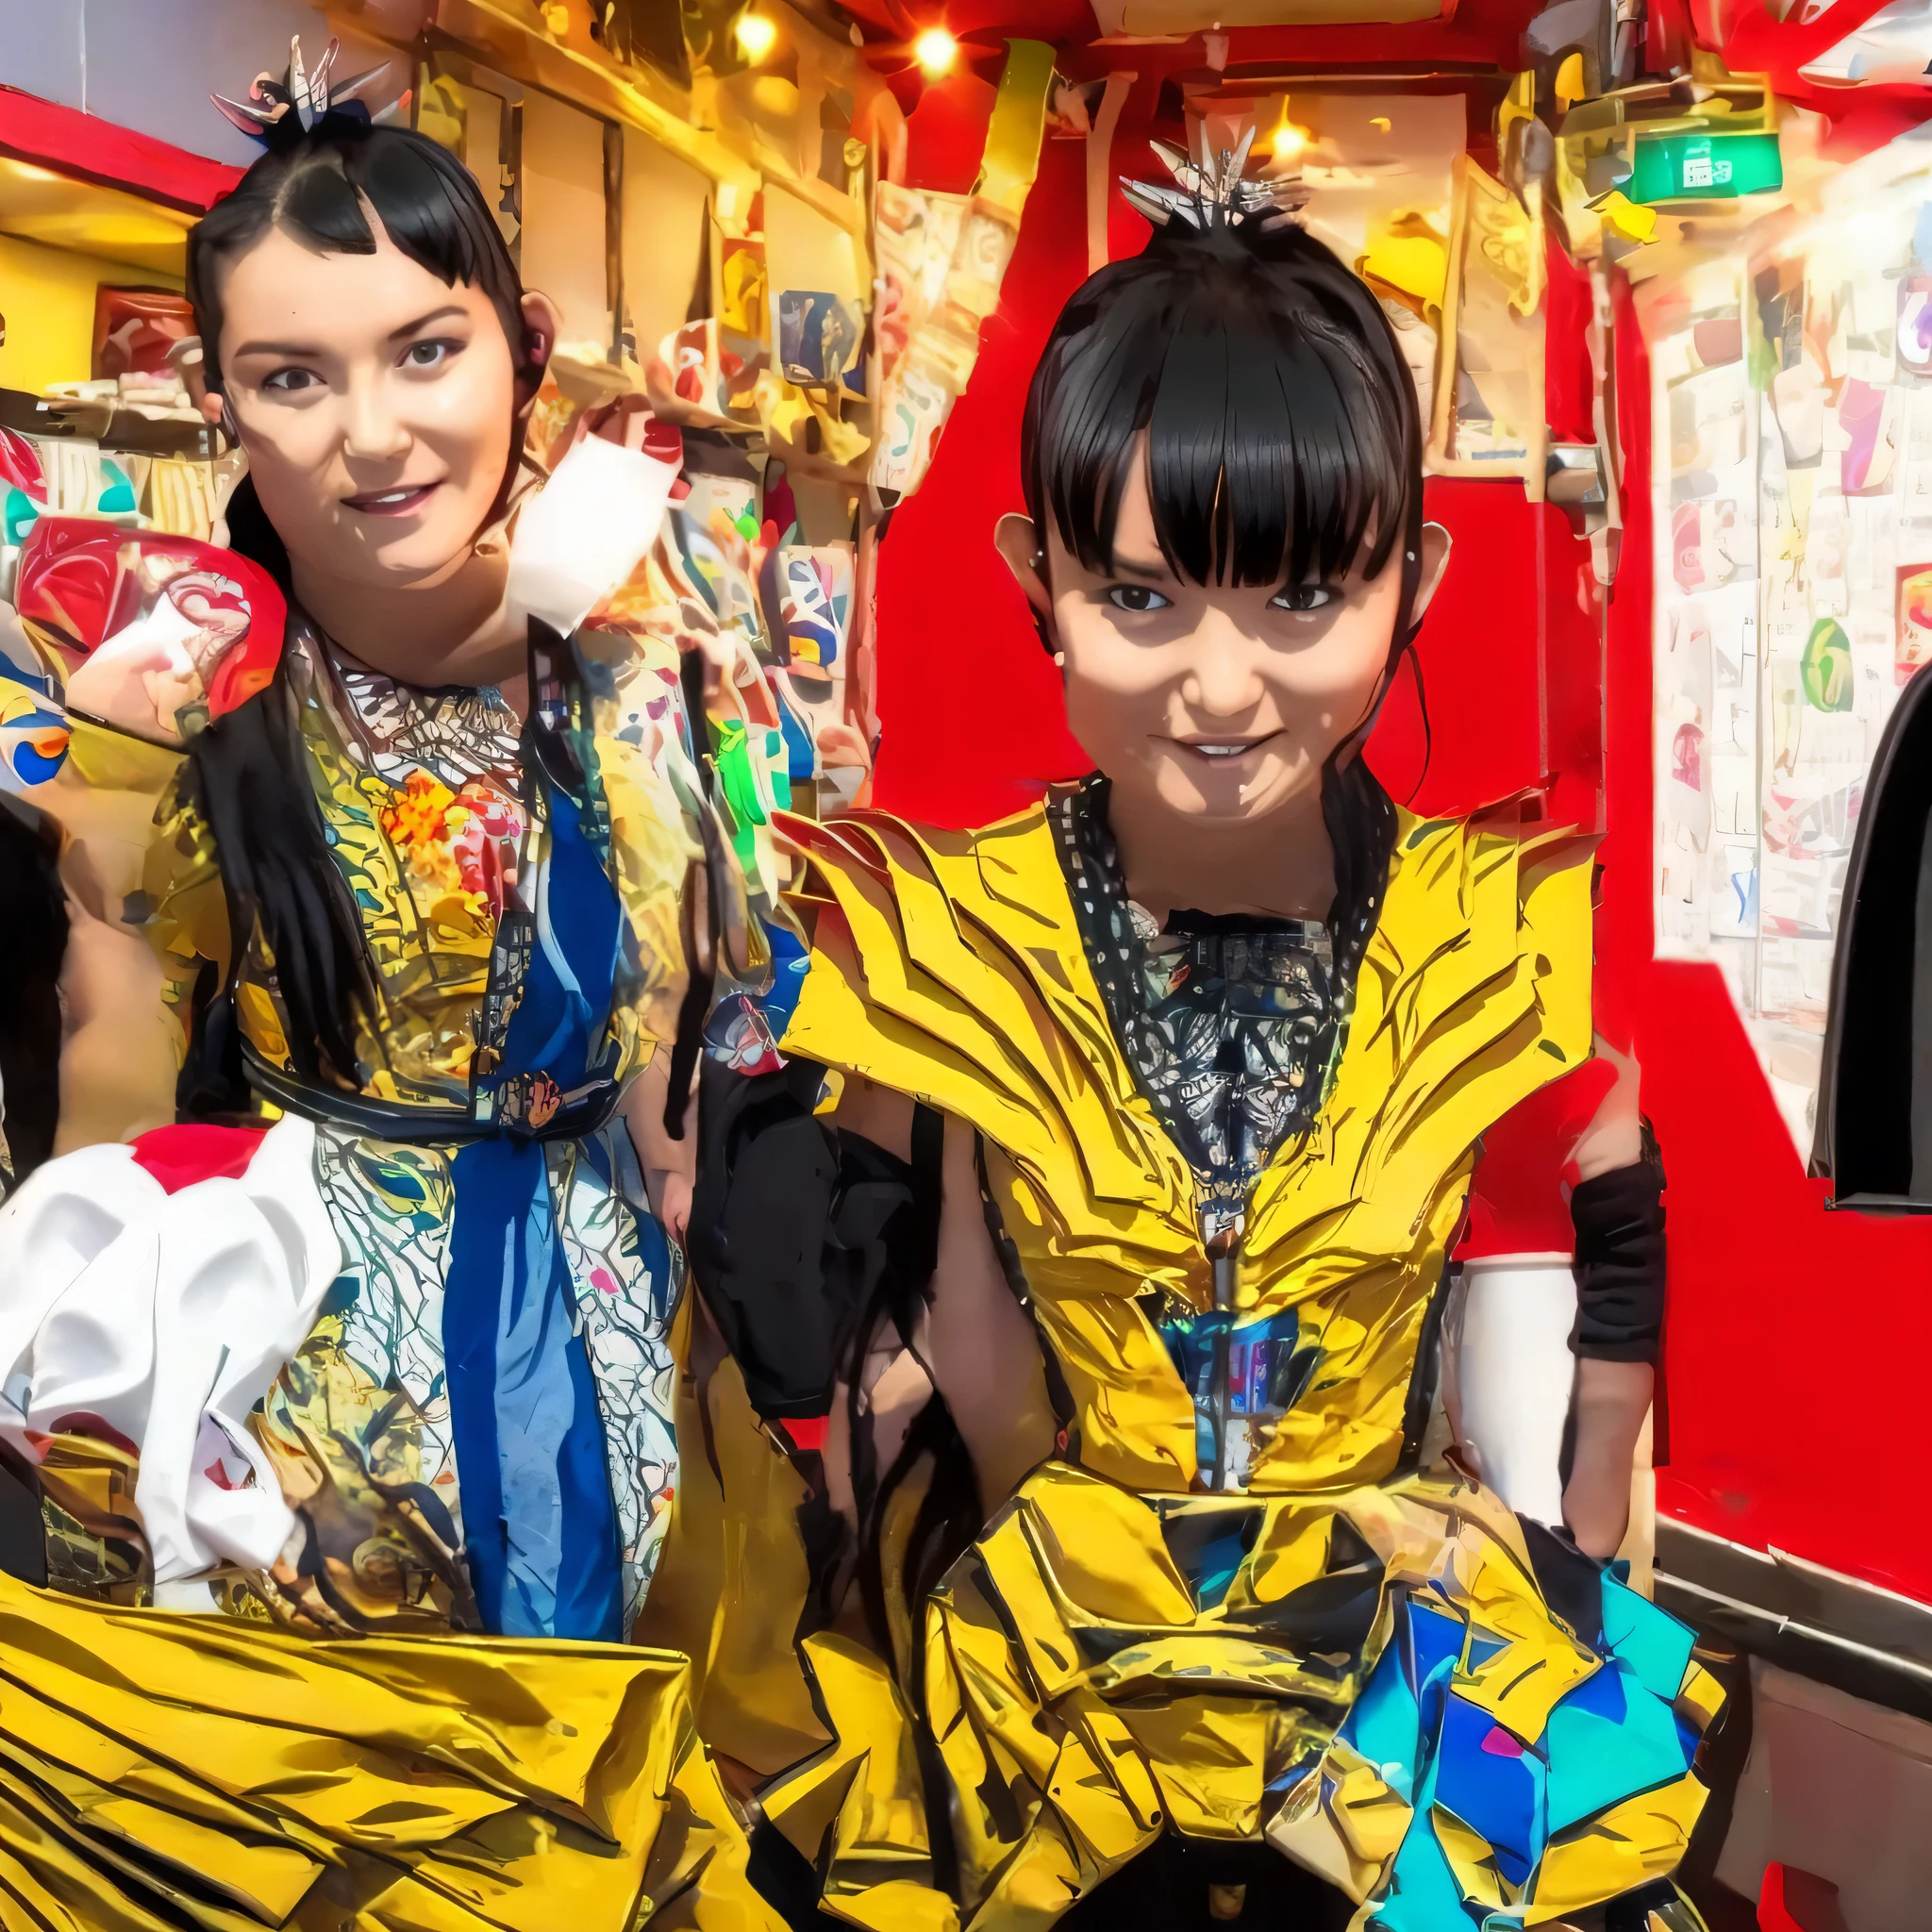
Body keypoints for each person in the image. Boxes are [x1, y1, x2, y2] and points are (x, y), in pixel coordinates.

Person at [661, 148, 1717, 1932]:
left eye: (1301, 598)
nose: (1222, 687)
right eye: (1141, 597)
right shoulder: (952, 936)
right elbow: (957, 1355)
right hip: (1051, 1665)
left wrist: (1586, 1536)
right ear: (1036, 572)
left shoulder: (1502, 926)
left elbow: (1589, 1280)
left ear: (1414, 578)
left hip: (1413, 1671)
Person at [0, 49, 773, 1925]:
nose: (372, 432)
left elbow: (738, 1006)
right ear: (217, 403)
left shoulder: (656, 666)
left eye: (424, 351)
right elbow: (81, 1115)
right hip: (273, 1351)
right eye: (293, 375)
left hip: (606, 1328)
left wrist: (602, 645)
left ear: (524, 348)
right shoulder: (157, 683)